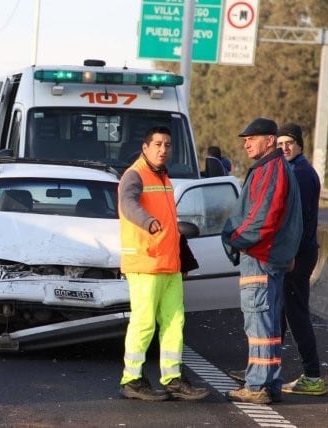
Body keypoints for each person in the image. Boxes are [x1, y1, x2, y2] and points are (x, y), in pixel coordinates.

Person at [117, 126, 209, 401]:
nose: (163, 149)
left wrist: (182, 260)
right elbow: (127, 203)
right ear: (145, 148)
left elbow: (171, 226)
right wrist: (148, 221)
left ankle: (172, 378)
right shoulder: (135, 175)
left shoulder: (164, 177)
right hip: (146, 263)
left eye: (167, 145)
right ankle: (132, 379)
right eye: (157, 144)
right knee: (144, 323)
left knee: (174, 322)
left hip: (168, 265)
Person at [222, 118, 302, 404]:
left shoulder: (270, 169)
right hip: (272, 257)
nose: (246, 143)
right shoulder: (278, 168)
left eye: (252, 138)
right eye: (245, 138)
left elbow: (262, 219)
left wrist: (235, 239)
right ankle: (269, 383)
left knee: (258, 324)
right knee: (267, 326)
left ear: (270, 140)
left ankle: (257, 386)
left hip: (260, 257)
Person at [276, 123, 326, 395]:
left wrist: (292, 254)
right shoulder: (293, 169)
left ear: (300, 145)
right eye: (280, 143)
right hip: (296, 252)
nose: (284, 147)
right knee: (281, 314)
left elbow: (303, 222)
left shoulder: (301, 174)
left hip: (299, 255)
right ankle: (265, 368)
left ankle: (313, 375)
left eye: (289, 143)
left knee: (296, 315)